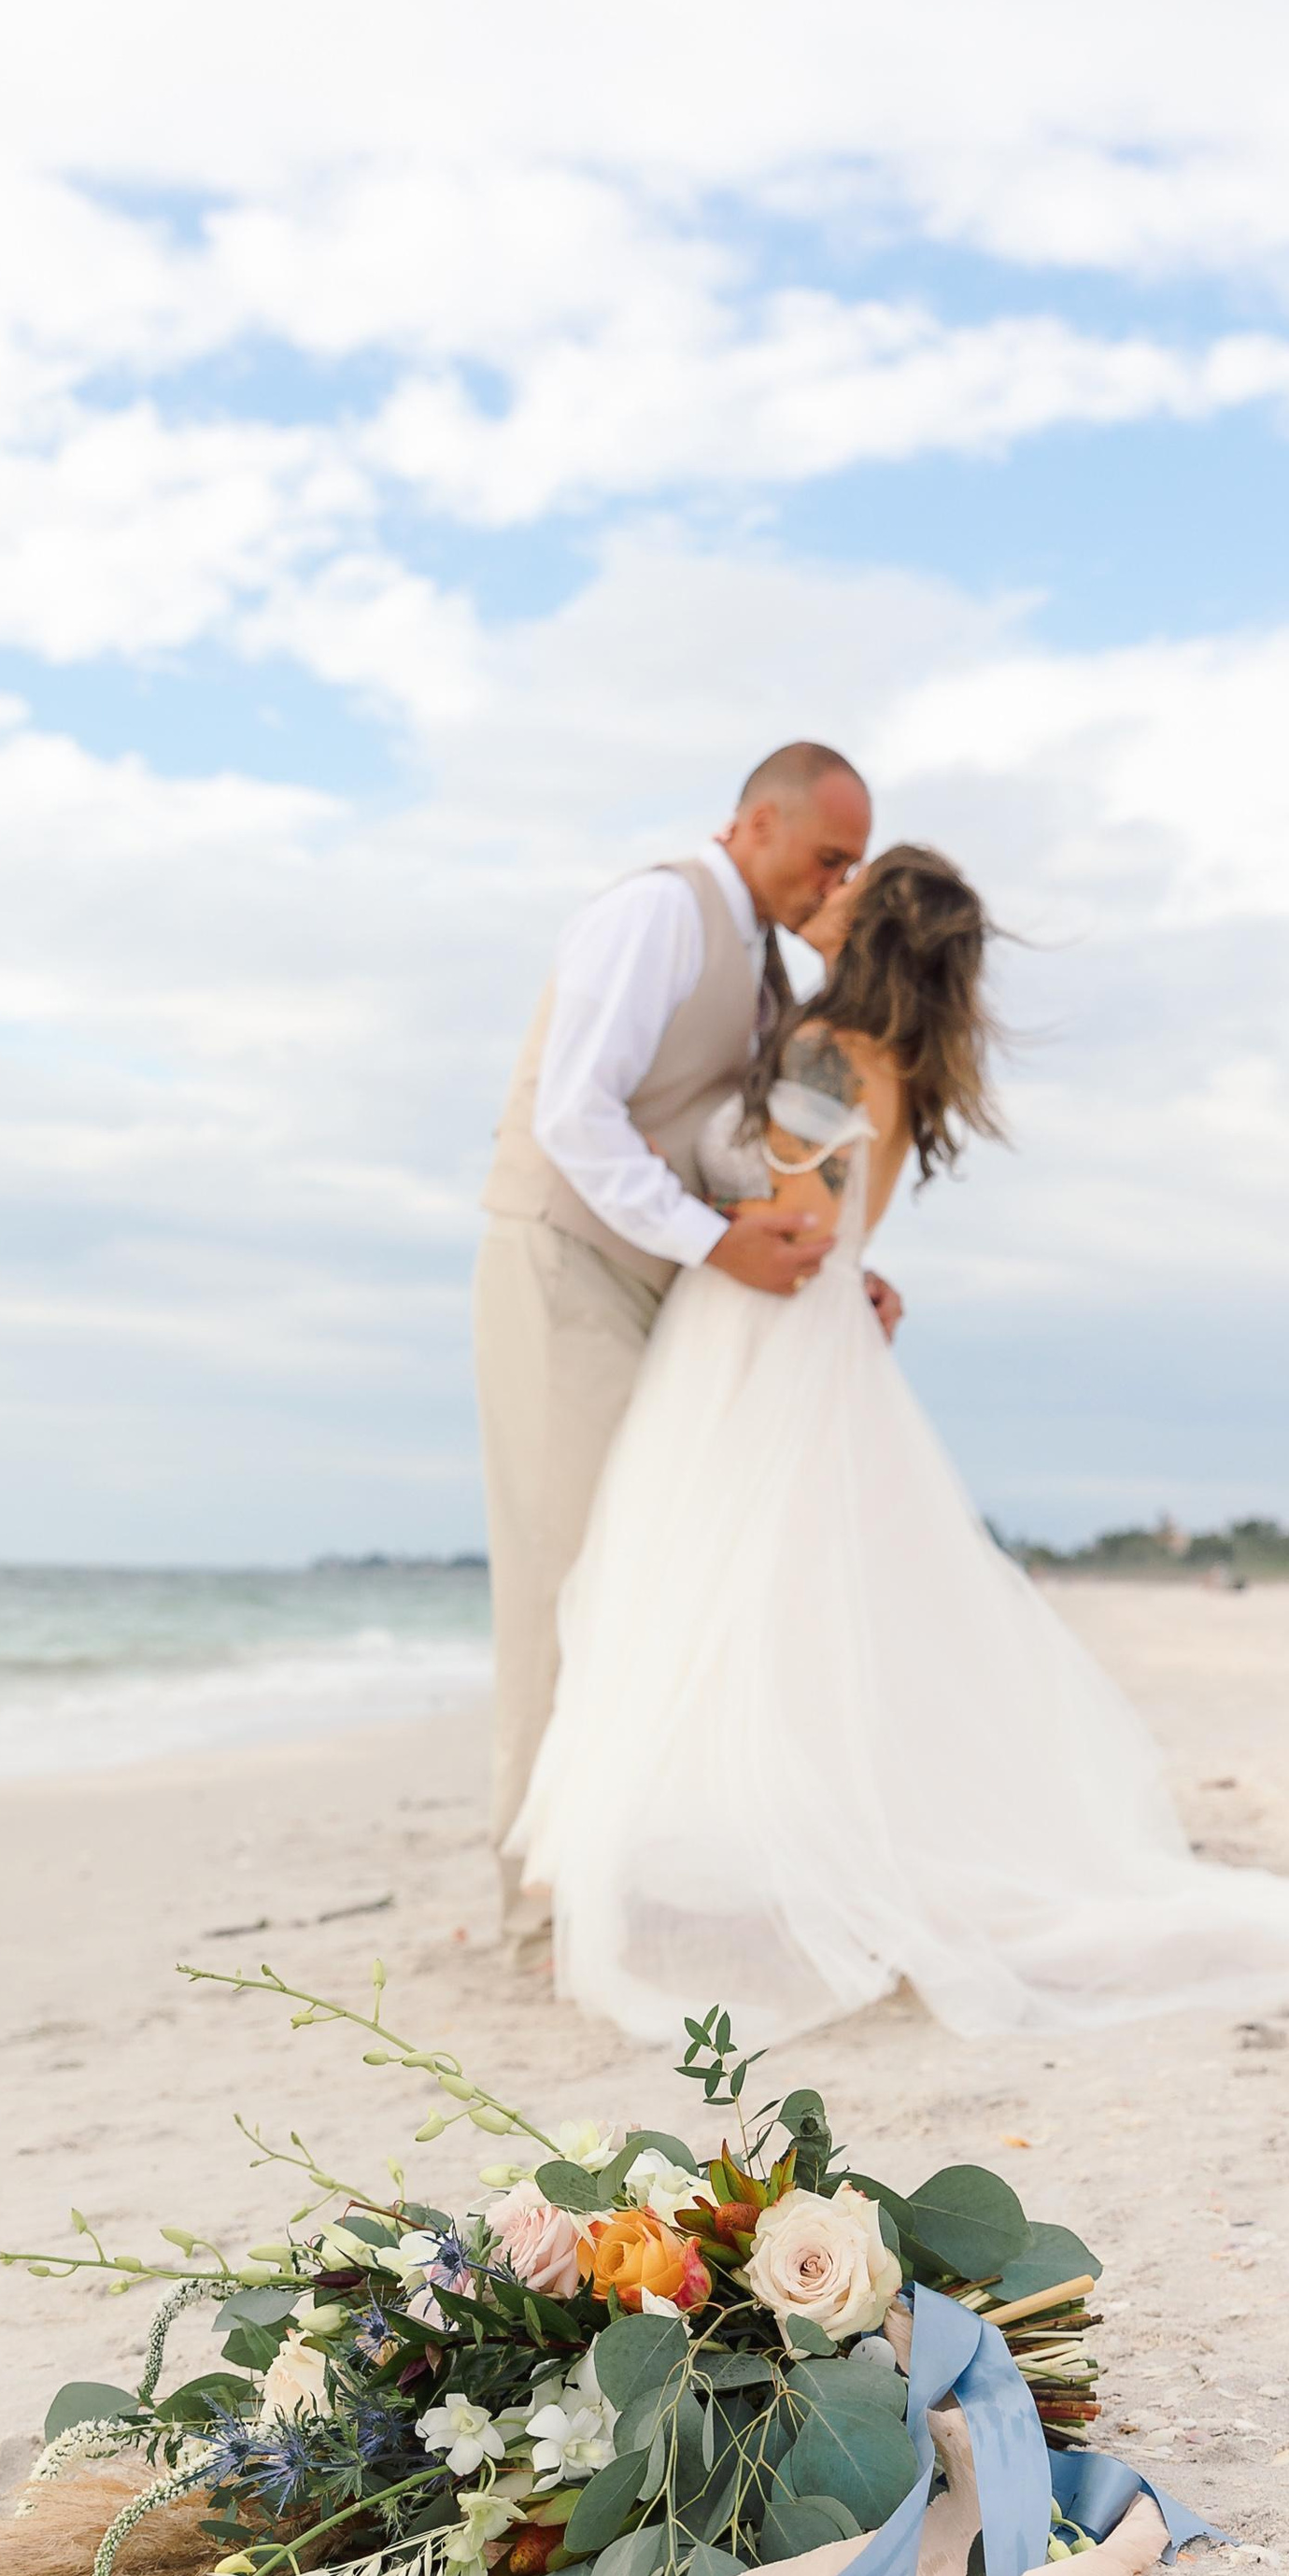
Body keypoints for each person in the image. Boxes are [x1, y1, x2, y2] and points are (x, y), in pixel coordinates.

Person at [509, 843, 1289, 2043]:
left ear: (873, 926)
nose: (827, 895)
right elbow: (837, 1220)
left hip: (757, 1333)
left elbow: (794, 1220)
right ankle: (742, 1864)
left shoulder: (824, 1049)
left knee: (709, 1590)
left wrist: (703, 1221)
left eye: (852, 884)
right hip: (817, 1333)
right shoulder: (896, 1065)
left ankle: (691, 1879)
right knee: (790, 1606)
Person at [475, 743, 899, 1960]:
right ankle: (538, 1898)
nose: (839, 881)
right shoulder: (658, 912)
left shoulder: (766, 967)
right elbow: (575, 1109)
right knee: (566, 1579)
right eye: (829, 854)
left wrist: (834, 1271)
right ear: (755, 822)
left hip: (663, 1278)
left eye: (856, 863)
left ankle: (614, 1864)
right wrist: (714, 1244)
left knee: (651, 1574)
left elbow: (732, 1146)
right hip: (561, 1261)